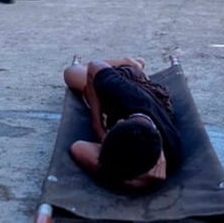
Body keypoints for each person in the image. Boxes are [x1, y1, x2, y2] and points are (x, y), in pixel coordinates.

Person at [63, 57, 181, 190]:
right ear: (119, 123)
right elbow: (94, 65)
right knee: (71, 74)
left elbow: (79, 147)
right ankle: (131, 63)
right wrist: (98, 125)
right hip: (132, 81)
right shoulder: (121, 91)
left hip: (148, 102)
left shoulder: (170, 151)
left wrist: (134, 182)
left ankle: (136, 65)